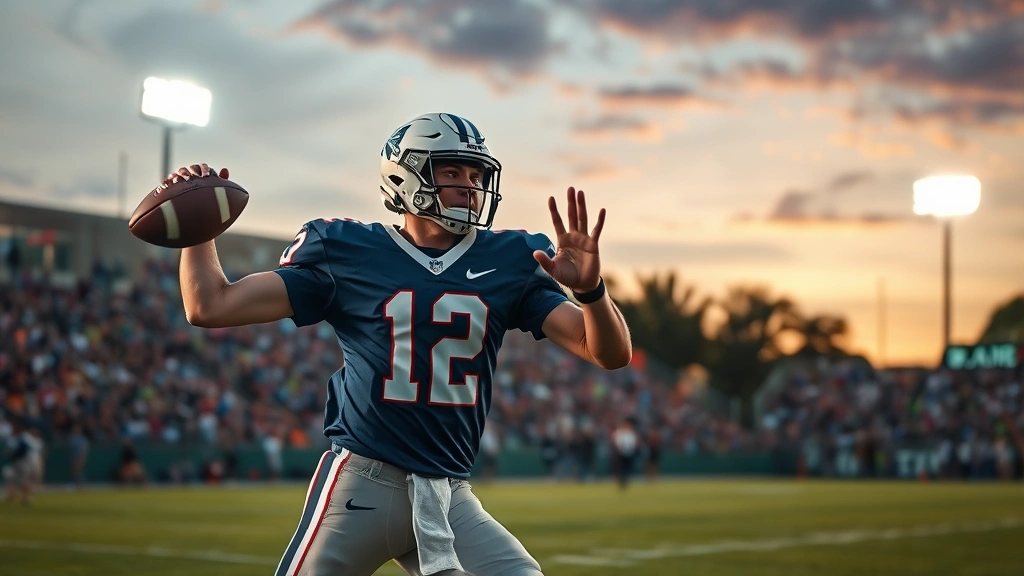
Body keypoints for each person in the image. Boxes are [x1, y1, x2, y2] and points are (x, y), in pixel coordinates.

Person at [172, 112, 632, 576]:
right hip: (362, 487)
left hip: (449, 496)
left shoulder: (511, 258)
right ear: (406, 175)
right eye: (452, 172)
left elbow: (607, 353)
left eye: (475, 175)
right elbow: (211, 306)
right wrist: (198, 231)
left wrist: (592, 292)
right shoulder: (347, 248)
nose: (469, 187)